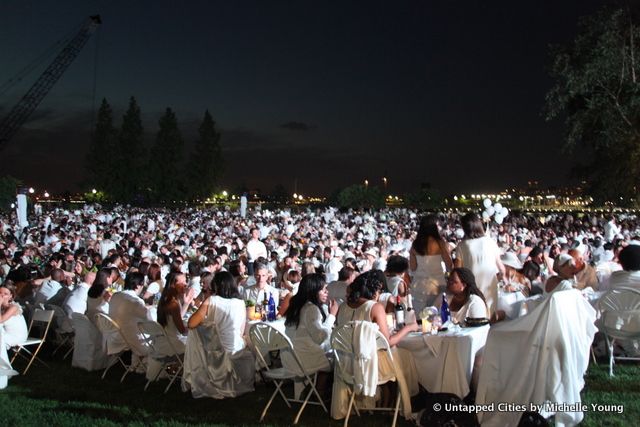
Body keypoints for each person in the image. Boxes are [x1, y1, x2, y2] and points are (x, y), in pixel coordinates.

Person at [335, 270, 419, 417]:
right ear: (374, 291)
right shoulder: (374, 307)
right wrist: (409, 328)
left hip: (346, 364)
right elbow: (389, 342)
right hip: (371, 365)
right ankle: (403, 400)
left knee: (397, 355)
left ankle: (386, 400)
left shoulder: (343, 307)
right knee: (407, 356)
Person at [183, 271, 254, 398]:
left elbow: (191, 323)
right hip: (234, 348)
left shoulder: (212, 300)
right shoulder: (240, 303)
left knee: (194, 335)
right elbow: (241, 331)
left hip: (214, 351)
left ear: (216, 286)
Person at [283, 273, 337, 398]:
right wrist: (332, 316)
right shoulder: (311, 308)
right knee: (337, 358)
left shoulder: (296, 305)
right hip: (305, 358)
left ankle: (316, 390)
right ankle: (320, 391)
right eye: (323, 290)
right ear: (314, 291)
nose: (326, 292)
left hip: (290, 358)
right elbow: (319, 337)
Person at [455, 213, 505, 314]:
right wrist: (497, 278)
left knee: (475, 316)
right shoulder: (490, 242)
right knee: (490, 315)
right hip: (490, 285)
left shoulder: (462, 245)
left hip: (472, 287)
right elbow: (502, 269)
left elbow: (457, 271)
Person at [409, 215, 453, 314]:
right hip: (437, 285)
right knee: (437, 318)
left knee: (421, 318)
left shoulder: (415, 244)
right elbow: (449, 265)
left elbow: (413, 267)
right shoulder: (440, 243)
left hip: (419, 287)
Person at [108, 272, 153, 366]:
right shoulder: (136, 301)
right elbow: (150, 323)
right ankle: (145, 367)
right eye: (142, 285)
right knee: (156, 335)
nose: (143, 287)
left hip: (112, 335)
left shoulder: (115, 295)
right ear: (138, 286)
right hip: (128, 339)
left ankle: (136, 365)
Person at [156, 273, 192, 354]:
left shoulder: (166, 298)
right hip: (172, 344)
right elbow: (182, 330)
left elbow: (176, 317)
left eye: (185, 281)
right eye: (182, 283)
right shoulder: (173, 303)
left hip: (162, 341)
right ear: (173, 285)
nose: (185, 284)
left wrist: (186, 303)